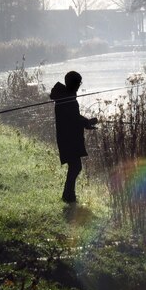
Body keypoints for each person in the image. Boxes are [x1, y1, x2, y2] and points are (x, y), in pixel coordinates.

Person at [49, 71, 97, 203]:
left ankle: (69, 195)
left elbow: (74, 117)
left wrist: (87, 123)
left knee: (75, 166)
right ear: (72, 83)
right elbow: (73, 118)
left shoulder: (65, 96)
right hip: (68, 137)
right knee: (76, 166)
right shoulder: (66, 98)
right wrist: (88, 122)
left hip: (68, 136)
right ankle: (68, 195)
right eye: (78, 83)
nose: (79, 86)